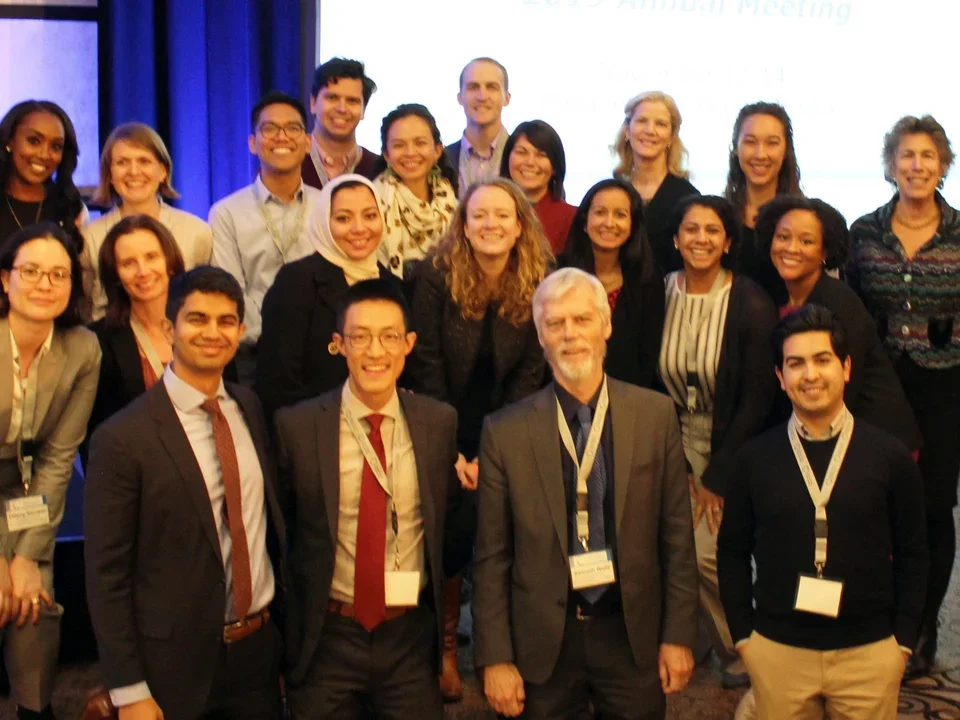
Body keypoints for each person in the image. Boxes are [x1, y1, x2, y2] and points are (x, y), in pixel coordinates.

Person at [473, 267, 698, 719]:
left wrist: (678, 635)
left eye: (582, 319)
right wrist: (495, 657)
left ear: (606, 325)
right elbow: (492, 556)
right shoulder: (505, 431)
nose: (570, 334)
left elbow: (676, 537)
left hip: (630, 635)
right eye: (555, 323)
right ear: (540, 336)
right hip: (542, 643)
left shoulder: (656, 415)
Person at [85, 266, 287, 720]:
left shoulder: (249, 407)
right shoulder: (122, 437)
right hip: (172, 668)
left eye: (225, 321)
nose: (212, 332)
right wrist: (128, 688)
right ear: (167, 327)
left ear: (240, 330)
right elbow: (106, 576)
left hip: (257, 653)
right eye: (197, 319)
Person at [717, 305, 927, 720]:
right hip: (778, 651)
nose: (810, 374)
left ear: (846, 368)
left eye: (822, 359)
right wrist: (744, 637)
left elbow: (914, 553)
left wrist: (902, 641)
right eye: (795, 363)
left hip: (868, 652)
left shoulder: (889, 456)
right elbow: (732, 553)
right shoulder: (753, 460)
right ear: (780, 377)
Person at [278, 278, 461, 720]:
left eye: (389, 337)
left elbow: (451, 530)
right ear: (339, 344)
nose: (375, 351)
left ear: (409, 344)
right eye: (360, 337)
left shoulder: (438, 424)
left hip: (408, 637)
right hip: (328, 636)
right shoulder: (298, 427)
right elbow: (282, 538)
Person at [407, 177, 550, 700]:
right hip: (439, 419)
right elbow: (425, 366)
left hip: (511, 422)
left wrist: (496, 453)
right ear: (463, 226)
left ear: (520, 226)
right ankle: (446, 650)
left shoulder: (542, 278)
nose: (490, 225)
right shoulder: (434, 277)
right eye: (479, 216)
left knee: (511, 531)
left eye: (502, 216)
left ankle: (505, 646)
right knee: (451, 530)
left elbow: (532, 372)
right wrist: (454, 452)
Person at [847, 114, 960, 675]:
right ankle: (880, 616)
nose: (917, 166)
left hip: (946, 384)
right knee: (879, 503)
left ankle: (921, 626)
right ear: (891, 165)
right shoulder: (864, 231)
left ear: (943, 166)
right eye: (906, 156)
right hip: (880, 384)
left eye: (928, 156)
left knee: (934, 508)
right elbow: (852, 302)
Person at [657, 194, 778, 688]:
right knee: (664, 544)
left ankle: (744, 646)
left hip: (730, 442)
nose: (700, 239)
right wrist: (674, 460)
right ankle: (693, 635)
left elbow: (757, 398)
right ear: (675, 238)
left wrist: (717, 474)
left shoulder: (749, 301)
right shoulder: (659, 292)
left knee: (706, 549)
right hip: (665, 438)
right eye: (691, 229)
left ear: (728, 242)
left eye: (712, 231)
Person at [0, 223, 100, 720]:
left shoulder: (82, 348)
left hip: (25, 495)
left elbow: (60, 458)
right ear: (5, 280)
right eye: (31, 271)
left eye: (58, 274)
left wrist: (24, 557)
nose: (45, 283)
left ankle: (34, 709)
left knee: (34, 604)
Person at [757, 195, 922, 451]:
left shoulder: (838, 302)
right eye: (783, 237)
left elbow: (843, 388)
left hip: (878, 441)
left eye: (806, 241)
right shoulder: (777, 294)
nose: (791, 248)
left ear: (825, 252)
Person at [256, 174, 398, 421]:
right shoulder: (295, 282)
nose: (359, 228)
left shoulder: (393, 286)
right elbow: (278, 382)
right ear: (323, 222)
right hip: (315, 430)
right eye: (343, 218)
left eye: (370, 216)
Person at [210, 91, 320, 385]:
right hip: (253, 358)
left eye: (293, 128)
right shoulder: (226, 212)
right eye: (269, 129)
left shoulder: (329, 207)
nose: (281, 137)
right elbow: (229, 291)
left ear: (308, 142)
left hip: (320, 353)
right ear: (252, 143)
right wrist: (274, 336)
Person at [81, 122, 211, 320]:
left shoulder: (197, 231)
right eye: (122, 162)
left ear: (163, 171)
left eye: (144, 161)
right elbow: (85, 306)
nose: (133, 172)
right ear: (110, 175)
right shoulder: (89, 236)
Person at [84, 215, 185, 463]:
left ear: (170, 262)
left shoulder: (203, 325)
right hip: (137, 478)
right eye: (128, 263)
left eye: (151, 257)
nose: (142, 271)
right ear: (116, 275)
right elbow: (97, 439)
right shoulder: (99, 341)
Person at [559, 178, 664, 388]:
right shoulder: (558, 273)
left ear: (633, 225)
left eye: (620, 215)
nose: (609, 223)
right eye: (600, 212)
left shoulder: (647, 279)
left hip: (629, 401)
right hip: (562, 395)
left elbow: (647, 360)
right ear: (584, 222)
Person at [723, 101, 803, 305]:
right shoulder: (719, 218)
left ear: (786, 151)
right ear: (735, 148)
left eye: (772, 143)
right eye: (750, 142)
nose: (760, 154)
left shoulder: (806, 220)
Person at [612, 91, 699, 274]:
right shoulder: (612, 192)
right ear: (627, 131)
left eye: (660, 124)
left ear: (671, 137)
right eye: (642, 121)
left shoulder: (688, 198)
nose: (650, 130)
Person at [373, 104, 458, 280]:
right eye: (399, 145)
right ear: (386, 155)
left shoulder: (454, 204)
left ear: (437, 150)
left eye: (420, 143)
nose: (410, 153)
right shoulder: (371, 203)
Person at [0, 101, 86, 252]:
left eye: (56, 146)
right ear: (9, 141)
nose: (44, 155)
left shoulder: (70, 208)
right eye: (34, 141)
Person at [500, 120, 576, 255]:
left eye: (541, 155)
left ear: (554, 167)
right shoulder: (490, 212)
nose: (530, 162)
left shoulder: (571, 218)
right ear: (507, 158)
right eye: (521, 152)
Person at [303, 57, 381, 189]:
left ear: (363, 109)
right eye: (332, 98)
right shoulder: (287, 162)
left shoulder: (378, 171)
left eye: (352, 101)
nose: (342, 109)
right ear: (313, 103)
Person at [446, 57, 511, 196]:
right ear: (460, 97)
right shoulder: (440, 161)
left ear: (506, 98)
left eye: (491, 87)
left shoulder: (524, 161)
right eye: (473, 87)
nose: (482, 96)